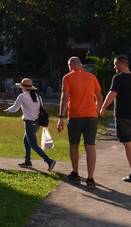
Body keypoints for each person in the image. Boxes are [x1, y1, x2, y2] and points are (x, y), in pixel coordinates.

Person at [99, 55, 131, 183]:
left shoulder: (118, 78)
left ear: (120, 64)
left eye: (115, 64)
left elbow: (112, 93)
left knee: (126, 144)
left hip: (122, 115)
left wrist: (103, 107)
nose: (114, 67)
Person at [57, 56, 102, 189]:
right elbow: (99, 98)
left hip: (76, 116)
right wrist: (96, 111)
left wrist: (61, 117)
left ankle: (76, 174)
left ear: (70, 66)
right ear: (81, 65)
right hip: (91, 117)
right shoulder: (92, 77)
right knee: (90, 147)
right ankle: (90, 179)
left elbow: (64, 99)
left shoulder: (68, 77)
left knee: (74, 144)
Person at [5, 78, 57, 172]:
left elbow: (15, 108)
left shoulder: (23, 96)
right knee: (26, 141)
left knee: (33, 145)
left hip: (29, 123)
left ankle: (49, 160)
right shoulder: (37, 96)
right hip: (36, 123)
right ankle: (27, 161)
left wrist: (8, 110)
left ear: (23, 87)